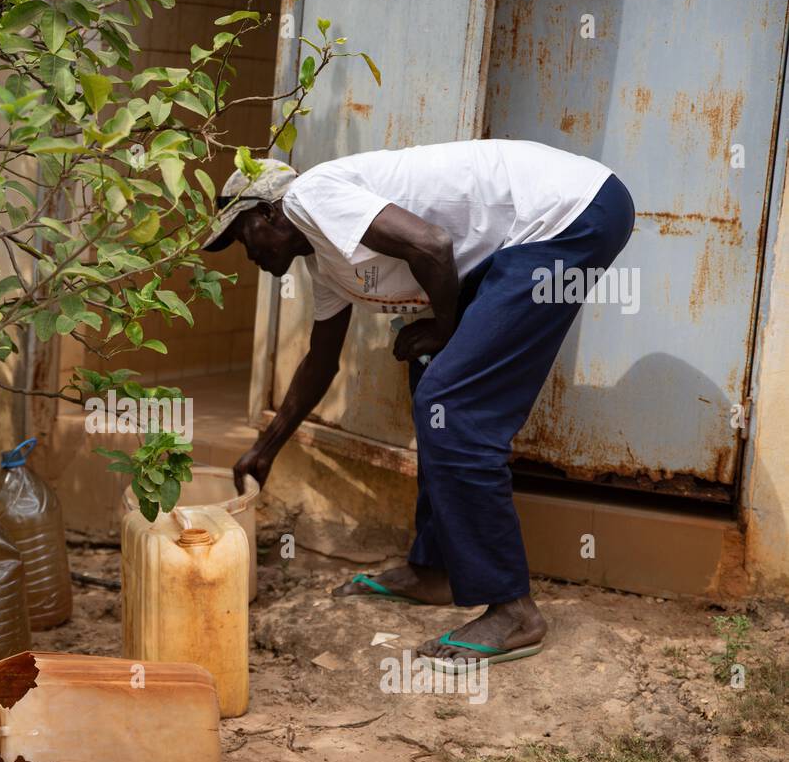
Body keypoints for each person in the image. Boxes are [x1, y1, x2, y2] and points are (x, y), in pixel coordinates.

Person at [202, 140, 635, 672]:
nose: (246, 253)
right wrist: (264, 449)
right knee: (430, 375)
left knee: (453, 406)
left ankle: (514, 611)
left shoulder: (307, 197)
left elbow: (431, 246)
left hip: (568, 213)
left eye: (242, 235)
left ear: (270, 210)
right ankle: (437, 570)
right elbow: (320, 362)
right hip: (541, 227)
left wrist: (445, 330)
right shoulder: (327, 265)